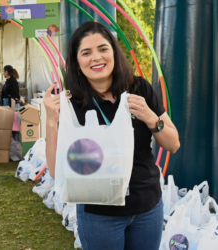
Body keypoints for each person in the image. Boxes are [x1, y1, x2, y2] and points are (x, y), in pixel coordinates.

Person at [44, 21, 180, 250]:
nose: (96, 57)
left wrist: (150, 117)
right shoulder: (71, 105)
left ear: (114, 53)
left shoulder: (140, 89)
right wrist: (50, 120)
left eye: (103, 49)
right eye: (86, 53)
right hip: (99, 214)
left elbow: (173, 144)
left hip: (147, 206)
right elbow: (57, 172)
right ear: (77, 64)